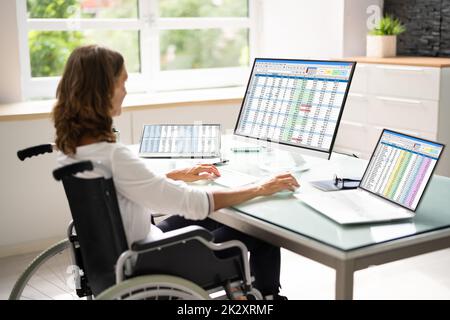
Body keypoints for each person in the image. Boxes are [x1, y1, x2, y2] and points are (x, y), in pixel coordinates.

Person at [52, 45, 300, 300]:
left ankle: (249, 294)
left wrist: (174, 176)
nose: (126, 91)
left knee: (221, 217)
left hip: (126, 254)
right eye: (122, 83)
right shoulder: (113, 156)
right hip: (155, 261)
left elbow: (119, 189)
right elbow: (194, 203)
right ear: (102, 90)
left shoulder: (70, 149)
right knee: (261, 231)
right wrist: (261, 187)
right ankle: (265, 299)